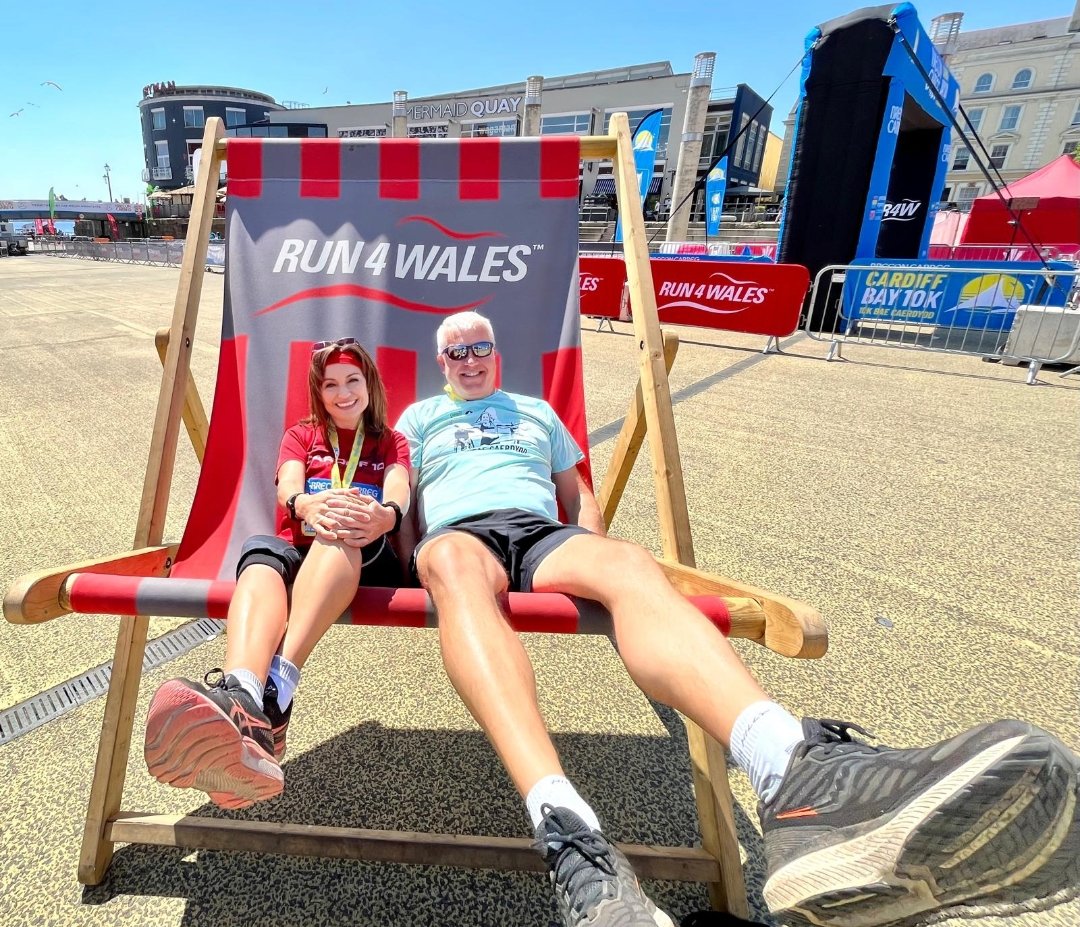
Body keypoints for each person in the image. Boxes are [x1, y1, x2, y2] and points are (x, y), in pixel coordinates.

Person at [395, 310, 1079, 927]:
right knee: (456, 568)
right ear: (441, 362)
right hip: (458, 537)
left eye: (481, 344)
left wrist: (594, 549)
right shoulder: (418, 419)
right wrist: (406, 558)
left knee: (631, 564)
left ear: (497, 353)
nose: (470, 357)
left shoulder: (539, 412)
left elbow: (580, 498)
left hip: (540, 531)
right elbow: (401, 496)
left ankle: (793, 773)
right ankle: (569, 829)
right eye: (457, 352)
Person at [144, 338, 411, 810]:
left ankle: (275, 694)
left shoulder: (390, 440)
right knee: (260, 550)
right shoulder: (302, 436)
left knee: (340, 531)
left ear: (369, 384)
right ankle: (246, 695)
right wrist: (304, 502)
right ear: (319, 392)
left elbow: (398, 490)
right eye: (331, 385)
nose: (343, 392)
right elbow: (288, 484)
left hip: (365, 555)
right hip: (299, 554)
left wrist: (385, 516)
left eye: (353, 380)